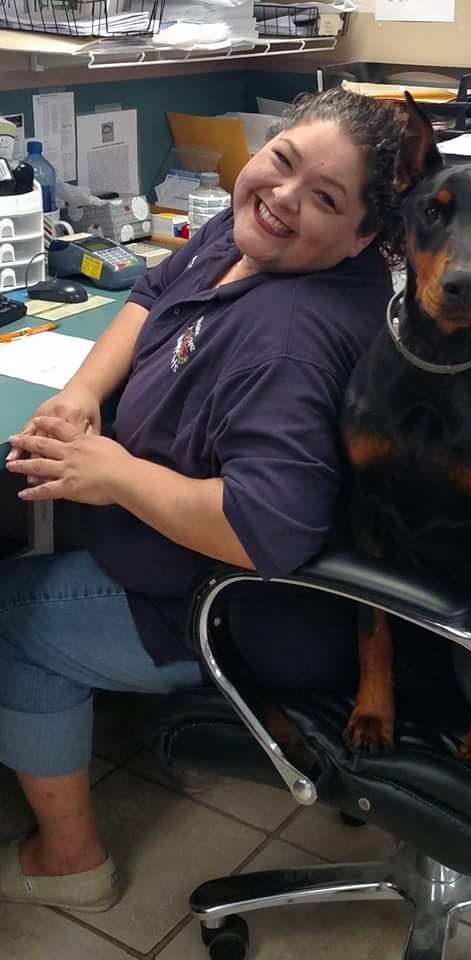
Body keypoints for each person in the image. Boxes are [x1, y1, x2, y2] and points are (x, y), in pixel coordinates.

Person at [0, 88, 406, 912]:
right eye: (283, 162)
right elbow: (154, 293)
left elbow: (264, 534)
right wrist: (84, 393)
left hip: (244, 604)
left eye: (325, 199)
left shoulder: (289, 341)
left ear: (366, 236)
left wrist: (111, 472)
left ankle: (71, 861)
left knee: (14, 615)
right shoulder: (253, 230)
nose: (285, 197)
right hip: (176, 549)